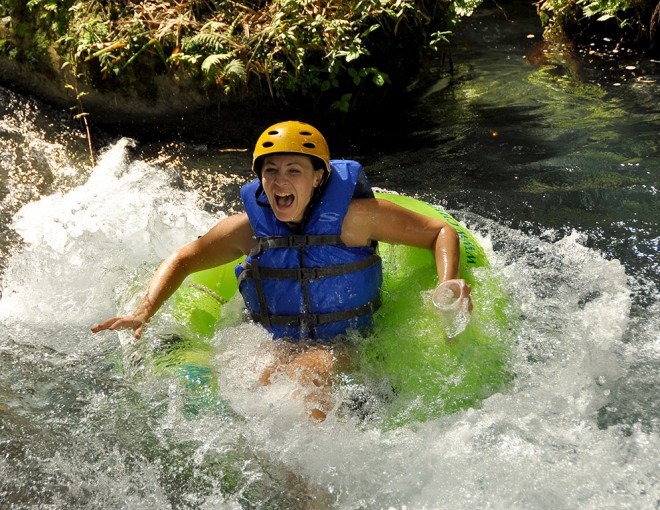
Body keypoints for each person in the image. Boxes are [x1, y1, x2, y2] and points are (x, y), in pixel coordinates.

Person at [92, 120, 472, 420]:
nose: (280, 181)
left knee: (312, 369)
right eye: (270, 171)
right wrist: (143, 311)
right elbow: (185, 259)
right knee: (259, 380)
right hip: (275, 342)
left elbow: (439, 231)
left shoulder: (355, 219)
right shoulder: (248, 230)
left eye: (294, 170)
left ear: (318, 176)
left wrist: (447, 282)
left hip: (349, 342)